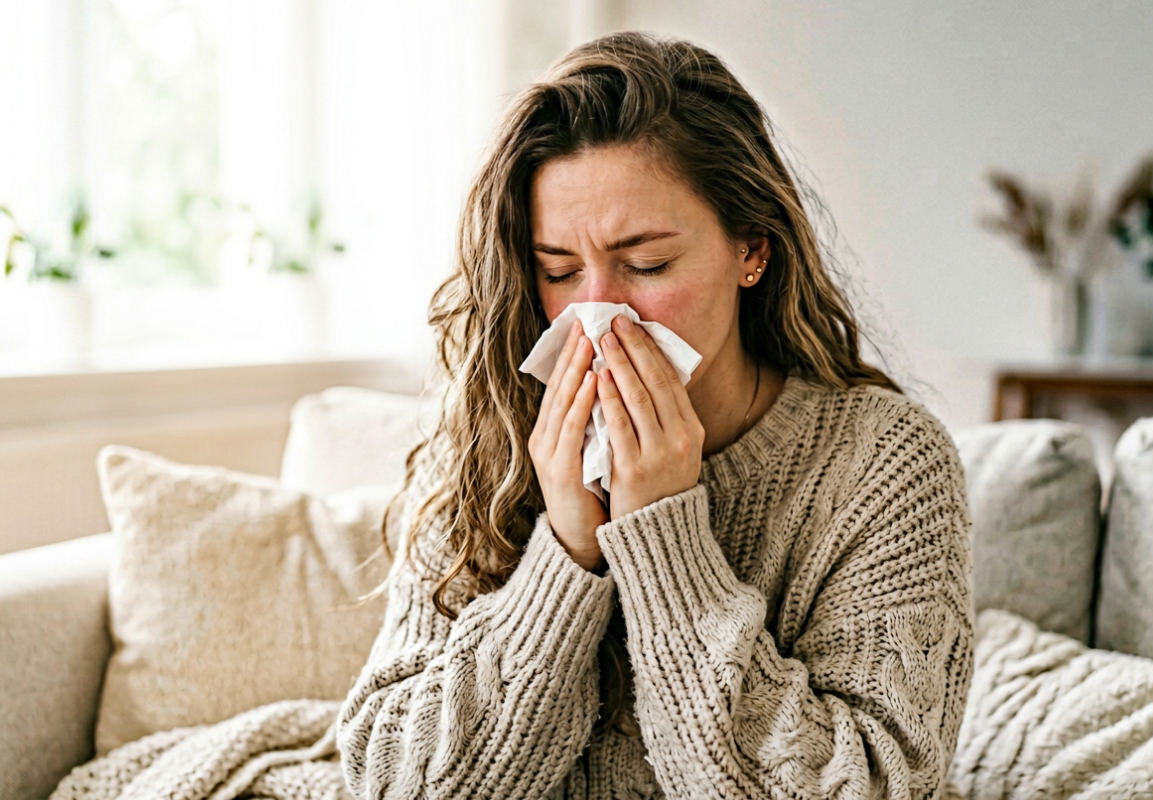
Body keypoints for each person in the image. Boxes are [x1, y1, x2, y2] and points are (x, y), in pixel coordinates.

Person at [336, 30, 974, 800]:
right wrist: (566, 552)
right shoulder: (488, 440)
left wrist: (664, 539)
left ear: (751, 250)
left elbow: (867, 785)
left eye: (647, 264)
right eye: (559, 271)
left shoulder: (883, 462)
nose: (599, 313)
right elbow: (400, 785)